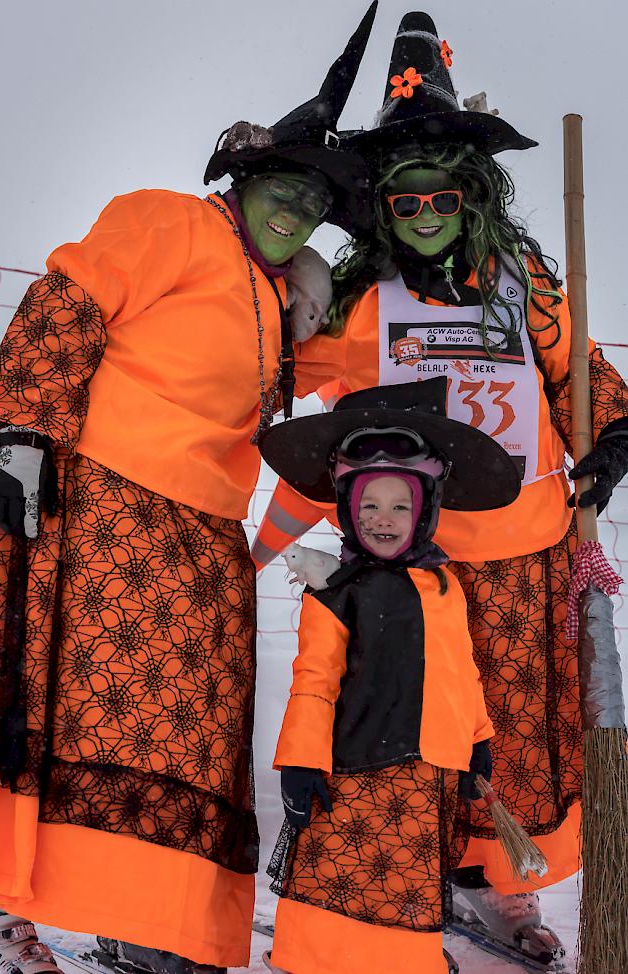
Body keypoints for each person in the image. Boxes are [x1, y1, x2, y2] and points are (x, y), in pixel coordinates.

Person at [0, 6, 378, 973]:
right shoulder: (167, 221)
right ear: (244, 183)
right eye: (282, 189)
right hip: (102, 507)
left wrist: (395, 275)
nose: (293, 214)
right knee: (54, 707)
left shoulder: (289, 300)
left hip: (204, 541)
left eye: (312, 207)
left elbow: (369, 355)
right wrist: (19, 431)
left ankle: (150, 922)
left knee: (180, 743)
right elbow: (72, 292)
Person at [251, 12, 628, 964]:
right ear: (385, 208)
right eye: (406, 201)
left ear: (474, 198)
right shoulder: (362, 302)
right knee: (423, 735)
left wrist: (618, 426)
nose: (425, 216)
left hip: (530, 553)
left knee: (519, 739)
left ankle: (500, 893)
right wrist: (281, 272)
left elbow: (577, 370)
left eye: (443, 198)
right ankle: (419, 884)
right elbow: (276, 375)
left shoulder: (524, 281)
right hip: (417, 570)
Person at [256, 377, 520, 974]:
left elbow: (462, 668)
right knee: (340, 871)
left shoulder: (445, 585)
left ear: (425, 509)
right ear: (348, 509)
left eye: (401, 505)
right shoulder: (336, 594)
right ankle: (313, 957)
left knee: (408, 879)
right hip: (351, 767)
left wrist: (478, 740)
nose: (384, 518)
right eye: (368, 504)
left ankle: (406, 959)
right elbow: (314, 683)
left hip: (428, 768)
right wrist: (301, 761)